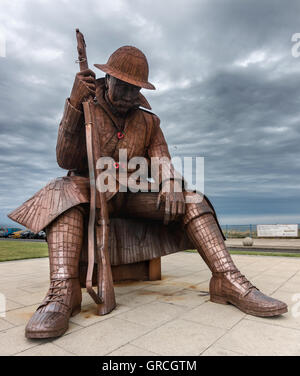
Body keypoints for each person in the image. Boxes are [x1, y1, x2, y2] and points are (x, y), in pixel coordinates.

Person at [8, 46, 287, 339]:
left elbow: (162, 162)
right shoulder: (86, 106)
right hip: (89, 190)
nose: (130, 96)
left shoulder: (149, 122)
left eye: (135, 89)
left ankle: (228, 280)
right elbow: (65, 159)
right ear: (108, 78)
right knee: (60, 191)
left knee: (194, 199)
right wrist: (74, 106)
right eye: (124, 87)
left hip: (132, 194)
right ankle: (63, 291)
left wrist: (170, 183)